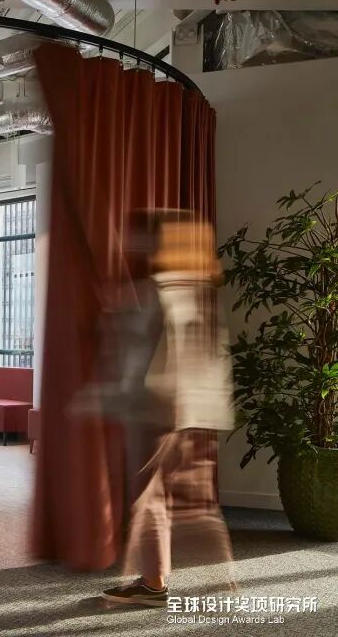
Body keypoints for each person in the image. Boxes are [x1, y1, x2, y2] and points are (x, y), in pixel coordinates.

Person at [101, 216, 235, 607]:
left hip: (158, 412)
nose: (136, 245)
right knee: (190, 503)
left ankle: (160, 583)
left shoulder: (162, 291)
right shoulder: (200, 289)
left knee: (148, 500)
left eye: (145, 238)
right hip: (197, 412)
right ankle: (183, 583)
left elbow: (145, 358)